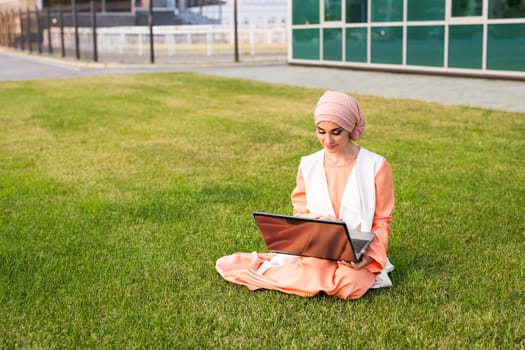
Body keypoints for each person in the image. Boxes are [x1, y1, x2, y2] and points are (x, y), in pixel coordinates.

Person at [215, 91, 395, 299]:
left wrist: (369, 256)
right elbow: (301, 210)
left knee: (351, 285)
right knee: (327, 274)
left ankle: (308, 278)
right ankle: (314, 274)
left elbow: (382, 220)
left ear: (351, 129)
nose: (327, 140)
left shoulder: (376, 165)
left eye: (336, 132)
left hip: (357, 251)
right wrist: (318, 229)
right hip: (318, 246)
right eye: (321, 131)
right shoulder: (308, 164)